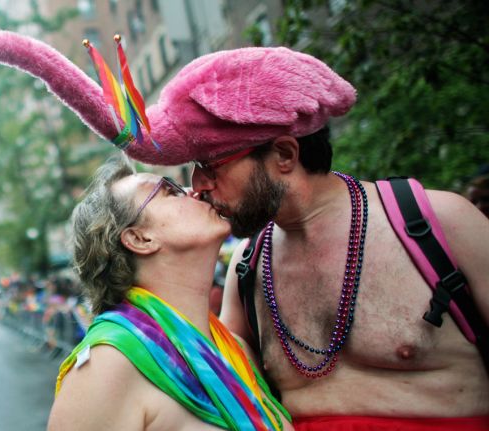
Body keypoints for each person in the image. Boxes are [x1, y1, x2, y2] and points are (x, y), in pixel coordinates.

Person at [123, 47, 488, 429]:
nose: (197, 185)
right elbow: (221, 393)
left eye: (211, 165)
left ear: (283, 154)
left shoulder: (439, 223)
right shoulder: (246, 269)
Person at [48, 157, 291, 431]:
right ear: (140, 239)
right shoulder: (106, 367)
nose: (194, 190)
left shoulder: (235, 351)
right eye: (171, 190)